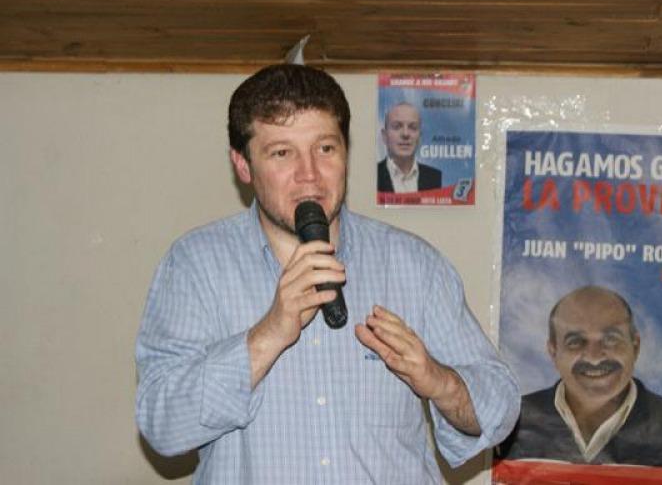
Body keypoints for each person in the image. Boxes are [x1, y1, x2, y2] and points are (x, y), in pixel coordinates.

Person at [136, 64, 520, 484]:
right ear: (243, 165)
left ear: (346, 153)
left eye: (324, 148)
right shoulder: (195, 265)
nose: (309, 174)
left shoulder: (415, 265)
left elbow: (500, 409)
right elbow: (162, 426)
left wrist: (437, 380)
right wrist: (268, 335)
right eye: (282, 153)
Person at [496, 285, 662, 467]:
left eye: (611, 339)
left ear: (635, 346)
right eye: (575, 342)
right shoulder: (509, 424)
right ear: (553, 351)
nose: (594, 357)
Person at [377, 102, 442, 193]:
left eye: (413, 127)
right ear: (384, 136)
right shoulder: (372, 175)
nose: (405, 134)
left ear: (419, 137)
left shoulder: (436, 178)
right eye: (397, 127)